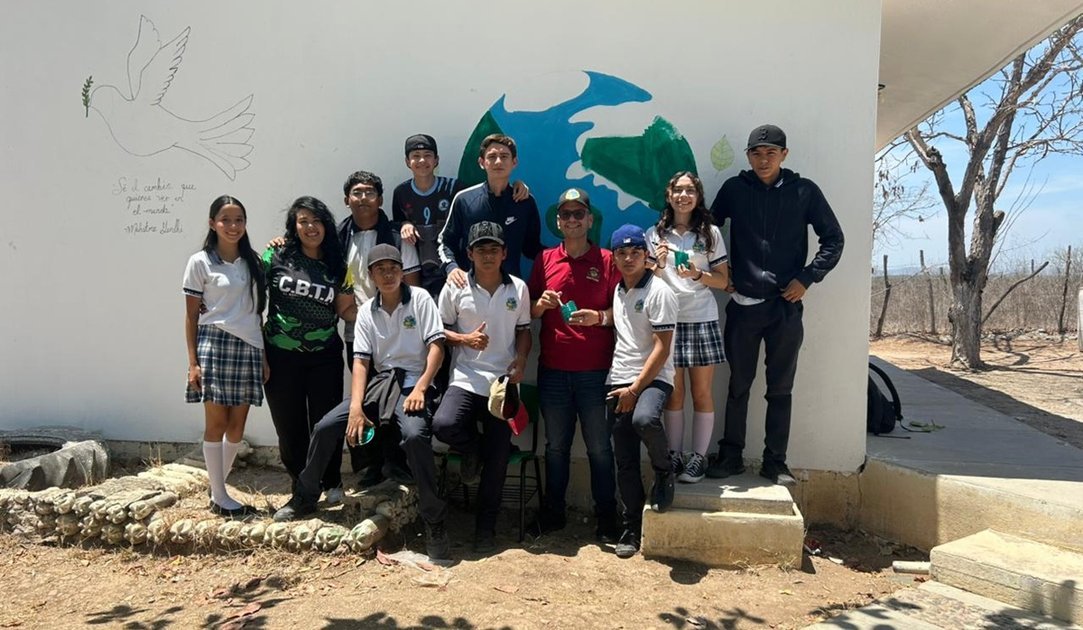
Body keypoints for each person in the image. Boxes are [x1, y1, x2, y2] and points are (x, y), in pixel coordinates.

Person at [272, 245, 451, 559]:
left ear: (401, 271)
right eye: (380, 269)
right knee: (327, 426)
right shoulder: (367, 310)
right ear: (371, 275)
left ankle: (434, 521)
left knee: (414, 436)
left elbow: (437, 346)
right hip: (381, 386)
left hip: (414, 383)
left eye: (393, 268)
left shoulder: (420, 299)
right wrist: (355, 408)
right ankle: (305, 495)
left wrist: (422, 388)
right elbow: (361, 362)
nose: (388, 274)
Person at [706, 124, 844, 485]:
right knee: (738, 385)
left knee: (780, 389)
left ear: (784, 154)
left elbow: (833, 238)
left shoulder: (804, 191)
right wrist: (722, 273)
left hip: (785, 308)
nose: (763, 159)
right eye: (756, 153)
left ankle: (775, 462)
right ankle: (731, 455)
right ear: (748, 156)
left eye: (771, 153)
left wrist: (807, 277)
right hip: (743, 306)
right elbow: (707, 232)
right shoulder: (734, 189)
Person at [526, 188, 621, 541]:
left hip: (596, 373)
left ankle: (607, 517)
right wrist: (541, 305)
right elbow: (528, 311)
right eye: (565, 215)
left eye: (578, 214)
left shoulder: (608, 260)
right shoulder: (545, 259)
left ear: (590, 219)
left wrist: (599, 317)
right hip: (553, 372)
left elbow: (623, 313)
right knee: (555, 448)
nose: (572, 220)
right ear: (558, 221)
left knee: (599, 448)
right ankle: (554, 513)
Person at [433, 221, 531, 553]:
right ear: (469, 254)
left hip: (501, 384)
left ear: (504, 253)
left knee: (498, 457)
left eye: (494, 249)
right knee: (444, 425)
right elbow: (438, 332)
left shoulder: (518, 288)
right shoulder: (455, 286)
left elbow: (524, 330)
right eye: (481, 250)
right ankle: (473, 448)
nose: (487, 256)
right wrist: (465, 339)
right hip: (465, 377)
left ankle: (485, 530)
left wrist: (521, 360)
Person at [262, 196, 356, 505]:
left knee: (325, 423)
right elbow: (250, 298)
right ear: (294, 226)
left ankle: (331, 480)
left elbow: (345, 309)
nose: (310, 227)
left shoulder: (338, 264)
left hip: (324, 357)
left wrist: (384, 311)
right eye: (303, 221)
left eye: (316, 221)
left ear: (326, 226)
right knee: (289, 427)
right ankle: (302, 484)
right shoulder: (275, 255)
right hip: (280, 355)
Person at [183, 195, 267, 519]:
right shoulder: (200, 262)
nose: (233, 226)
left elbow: (257, 312)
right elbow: (191, 316)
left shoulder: (253, 261)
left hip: (249, 345)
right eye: (225, 219)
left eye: (239, 220)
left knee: (237, 426)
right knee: (216, 423)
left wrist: (263, 356)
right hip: (214, 344)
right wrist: (192, 362)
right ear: (212, 223)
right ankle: (220, 496)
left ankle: (217, 486)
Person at [338, 171, 422, 486]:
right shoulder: (337, 238)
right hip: (356, 331)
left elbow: (412, 287)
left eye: (370, 192)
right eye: (357, 192)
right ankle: (371, 466)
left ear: (381, 199)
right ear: (346, 200)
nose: (363, 198)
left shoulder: (398, 236)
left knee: (397, 398)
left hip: (397, 333)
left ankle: (397, 463)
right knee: (367, 400)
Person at [645, 172, 730, 484]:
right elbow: (648, 281)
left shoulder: (710, 233)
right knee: (674, 393)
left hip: (701, 318)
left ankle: (699, 458)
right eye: (678, 190)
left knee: (702, 391)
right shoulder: (654, 234)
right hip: (668, 321)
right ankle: (675, 455)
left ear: (698, 196)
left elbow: (723, 281)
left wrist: (697, 274)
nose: (683, 196)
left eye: (690, 190)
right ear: (669, 196)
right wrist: (660, 264)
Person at [606, 224, 679, 559]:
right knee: (624, 459)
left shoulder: (660, 292)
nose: (628, 258)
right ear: (614, 258)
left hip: (653, 378)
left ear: (646, 255)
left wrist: (634, 390)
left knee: (645, 419)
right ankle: (631, 527)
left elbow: (662, 349)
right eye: (621, 253)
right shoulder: (619, 290)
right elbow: (623, 324)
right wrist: (598, 318)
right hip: (618, 378)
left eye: (635, 251)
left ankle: (664, 470)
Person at [392, 134, 530, 298]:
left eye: (427, 155)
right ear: (407, 161)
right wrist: (404, 224)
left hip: (485, 282)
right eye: (416, 156)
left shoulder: (455, 188)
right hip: (427, 275)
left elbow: (531, 247)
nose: (422, 160)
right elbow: (398, 226)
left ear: (436, 160)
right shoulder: (401, 193)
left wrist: (518, 185)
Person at [436, 134, 543, 289]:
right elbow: (446, 242)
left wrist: (564, 255)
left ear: (514, 162)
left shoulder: (525, 202)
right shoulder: (464, 199)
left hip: (511, 291)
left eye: (504, 156)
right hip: (470, 290)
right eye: (492, 157)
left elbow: (531, 248)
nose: (498, 162)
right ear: (482, 163)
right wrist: (451, 268)